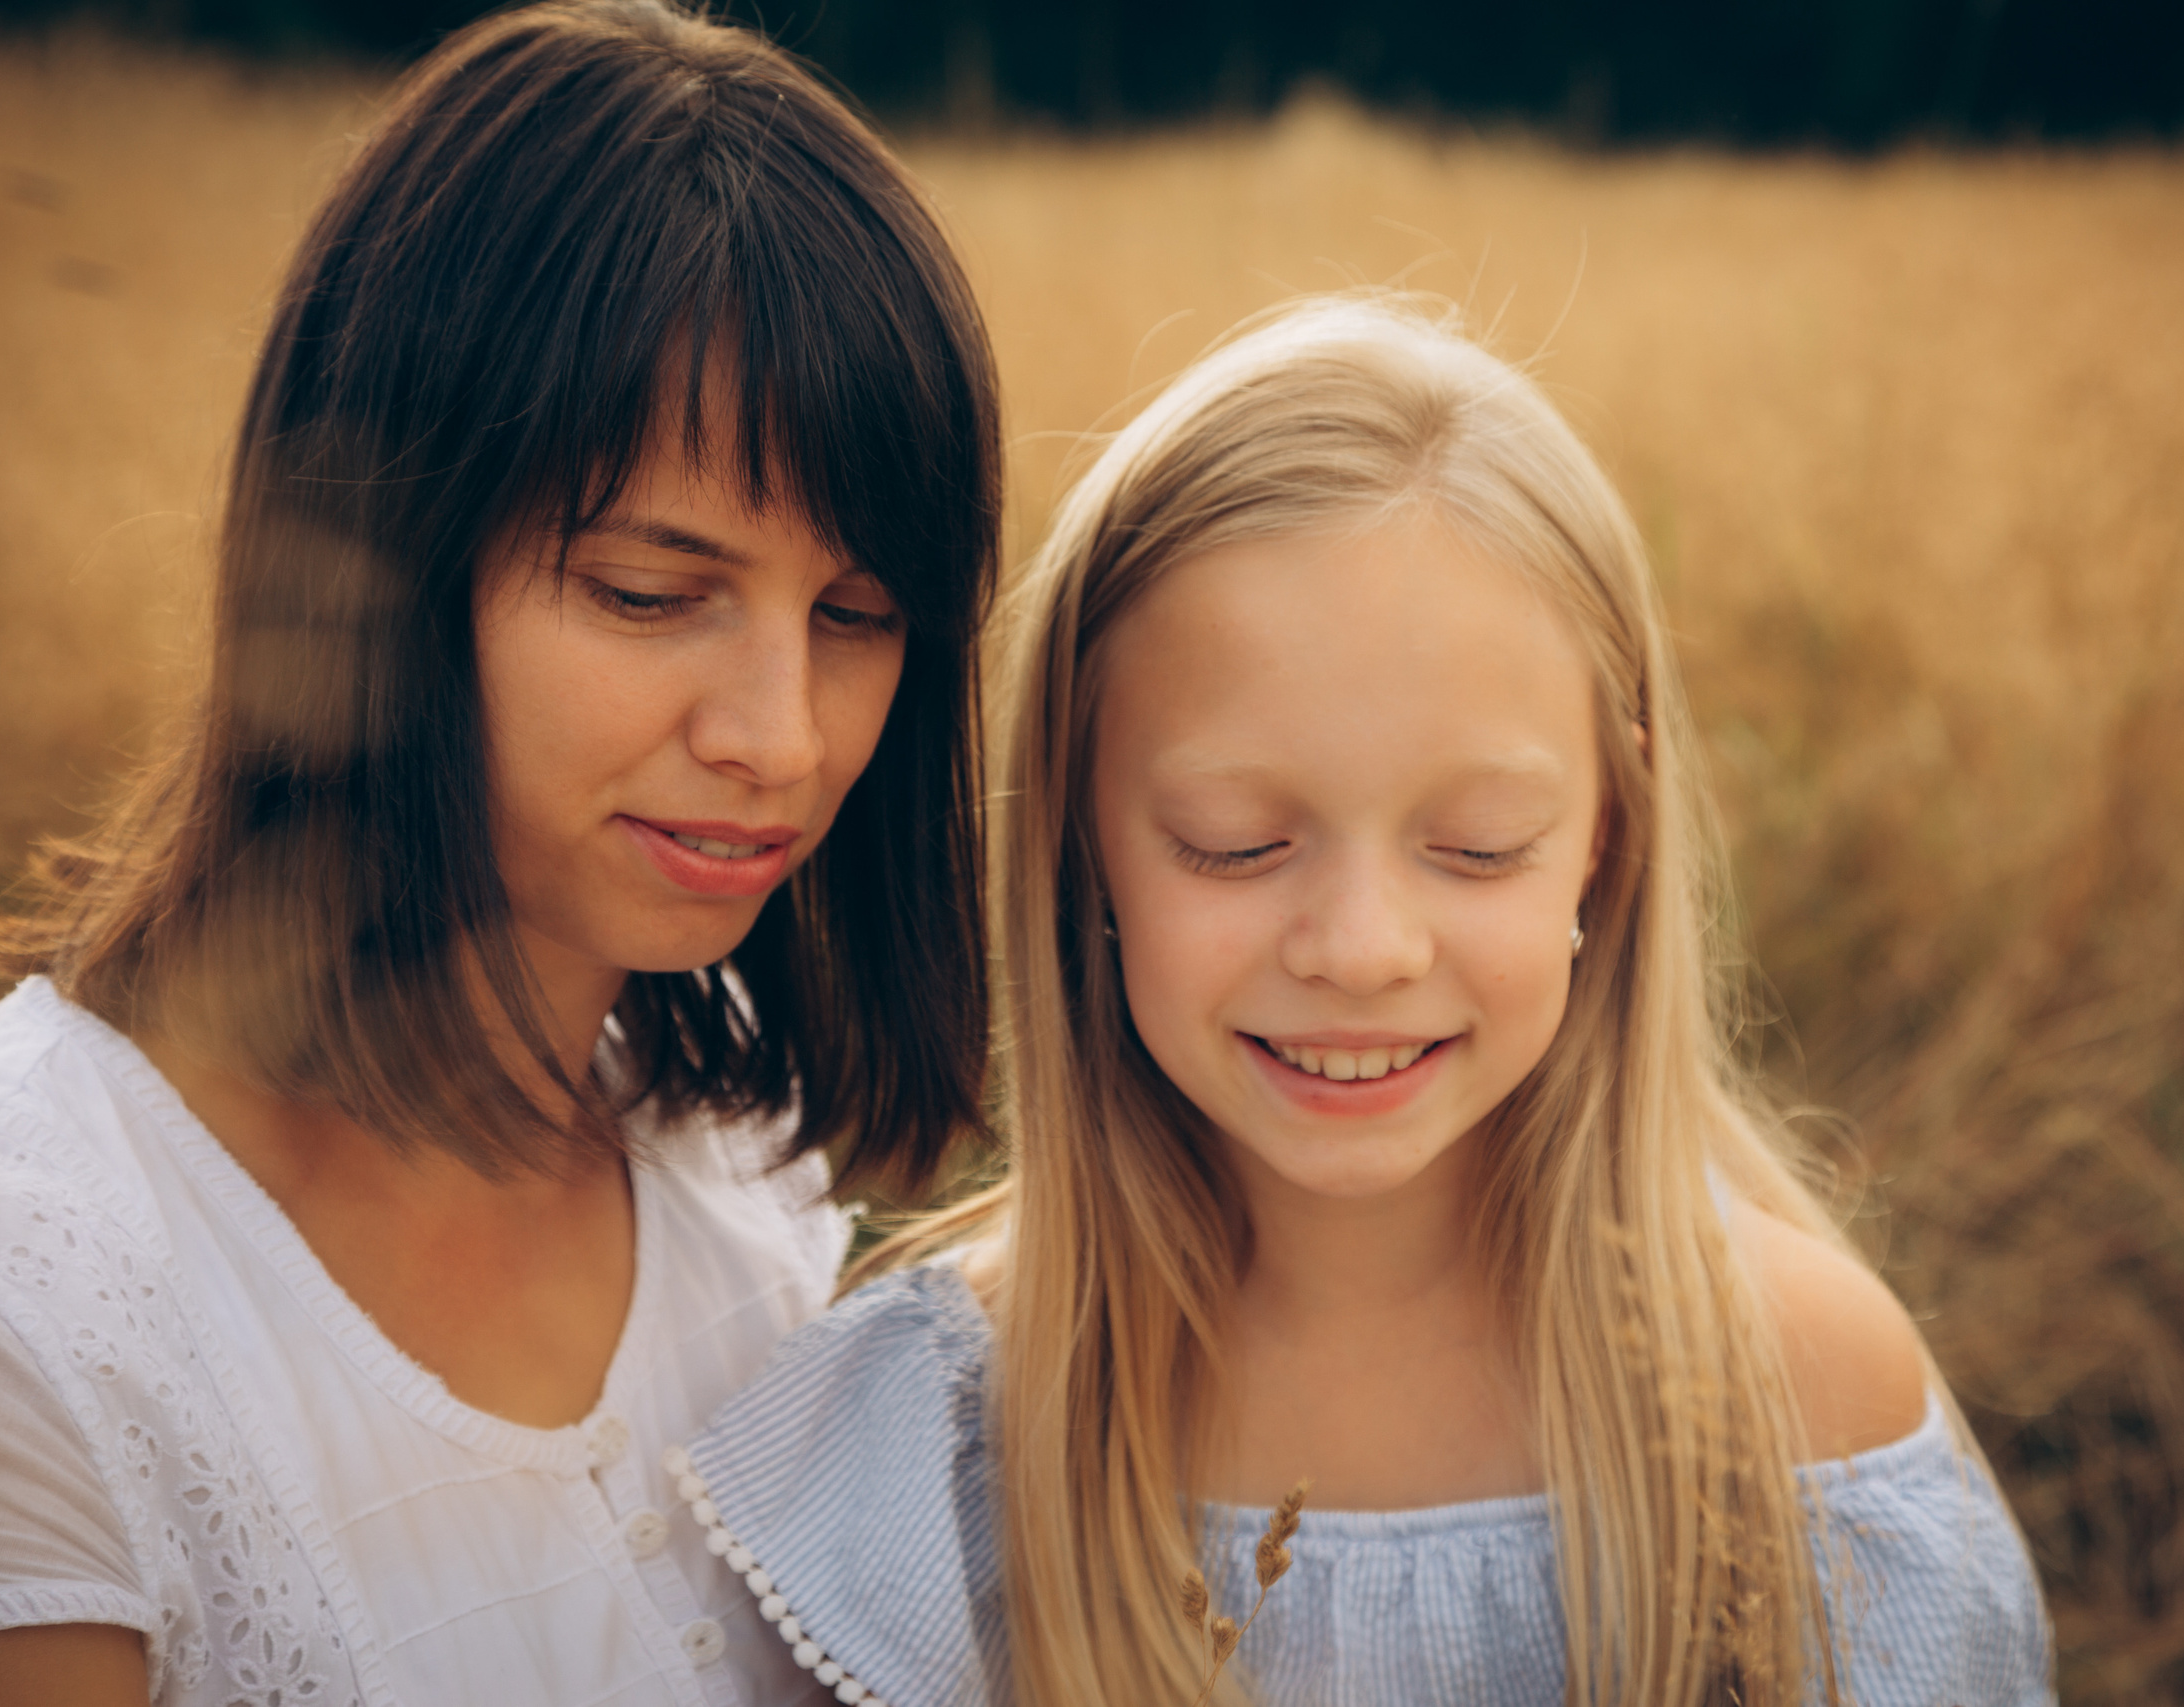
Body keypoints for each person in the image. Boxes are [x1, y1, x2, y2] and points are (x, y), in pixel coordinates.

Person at [668, 297, 2055, 1707]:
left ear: (1608, 835)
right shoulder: (942, 1439)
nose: (1362, 949)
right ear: (1079, 837)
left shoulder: (1797, 1396)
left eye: (1476, 847)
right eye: (1235, 840)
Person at [0, 3, 998, 1703]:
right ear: (374, 552)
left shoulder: (749, 1191)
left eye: (859, 616)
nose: (783, 737)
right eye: (651, 594)